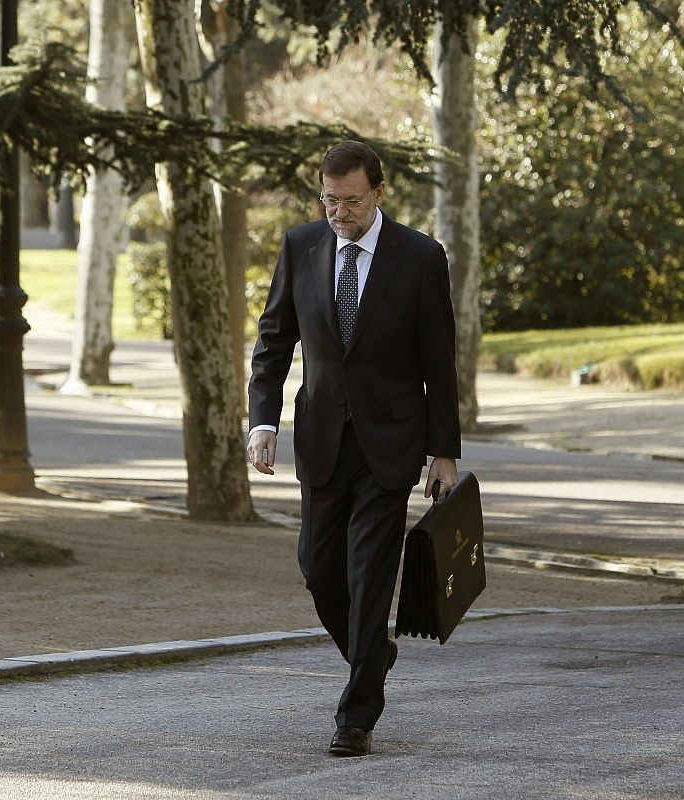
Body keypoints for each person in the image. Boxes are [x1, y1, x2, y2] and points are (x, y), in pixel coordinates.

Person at [246, 140, 462, 757]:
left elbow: (438, 363)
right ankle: (374, 654)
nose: (339, 211)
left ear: (380, 192)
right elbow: (272, 342)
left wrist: (443, 450)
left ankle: (356, 715)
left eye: (351, 200)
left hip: (391, 444)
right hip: (322, 441)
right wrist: (263, 421)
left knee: (370, 575)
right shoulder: (300, 246)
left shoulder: (420, 257)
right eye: (329, 199)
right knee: (319, 570)